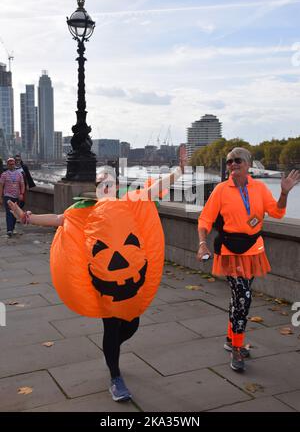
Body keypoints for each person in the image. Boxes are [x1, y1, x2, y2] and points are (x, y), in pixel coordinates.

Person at [8, 165, 183, 401]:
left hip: (132, 281)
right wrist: (26, 217)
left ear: (117, 185)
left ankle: (111, 349)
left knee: (131, 326)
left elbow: (156, 189)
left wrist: (179, 171)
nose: (105, 186)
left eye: (109, 182)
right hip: (104, 281)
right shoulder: (84, 209)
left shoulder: (132, 201)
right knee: (111, 327)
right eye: (101, 184)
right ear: (97, 189)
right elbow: (59, 219)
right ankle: (115, 377)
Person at [197, 147, 300, 372]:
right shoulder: (221, 190)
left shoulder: (259, 188)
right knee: (243, 298)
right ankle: (236, 348)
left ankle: (229, 337)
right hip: (230, 252)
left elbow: (277, 212)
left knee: (238, 299)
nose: (232, 164)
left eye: (237, 161)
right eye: (229, 161)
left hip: (253, 251)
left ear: (247, 164)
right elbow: (205, 219)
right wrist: (202, 243)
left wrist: (284, 193)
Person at [0, 157, 25, 237]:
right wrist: (0, 197)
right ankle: (9, 230)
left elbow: (22, 184)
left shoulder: (19, 174)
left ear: (15, 164)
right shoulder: (4, 174)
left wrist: (21, 194)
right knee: (9, 213)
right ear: (7, 165)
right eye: (10, 164)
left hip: (16, 196)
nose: (11, 165)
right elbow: (1, 186)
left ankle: (12, 227)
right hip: (7, 196)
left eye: (13, 164)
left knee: (15, 213)